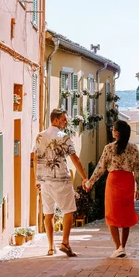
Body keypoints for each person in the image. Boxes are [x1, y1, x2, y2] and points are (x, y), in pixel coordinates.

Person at [34, 108, 88, 257]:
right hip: (61, 179)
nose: (66, 121)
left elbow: (35, 157)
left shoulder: (40, 136)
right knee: (69, 210)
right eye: (64, 119)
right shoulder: (64, 137)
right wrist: (84, 176)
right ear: (56, 120)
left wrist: (36, 178)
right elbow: (74, 158)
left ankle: (51, 247)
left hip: (45, 181)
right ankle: (65, 243)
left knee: (48, 213)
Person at [84, 119, 139, 258]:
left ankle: (118, 247)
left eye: (113, 130)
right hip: (127, 182)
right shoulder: (133, 148)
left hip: (114, 181)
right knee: (126, 215)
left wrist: (90, 182)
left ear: (117, 133)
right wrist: (138, 188)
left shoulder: (109, 148)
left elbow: (100, 168)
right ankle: (123, 247)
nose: (112, 131)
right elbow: (138, 169)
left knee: (111, 214)